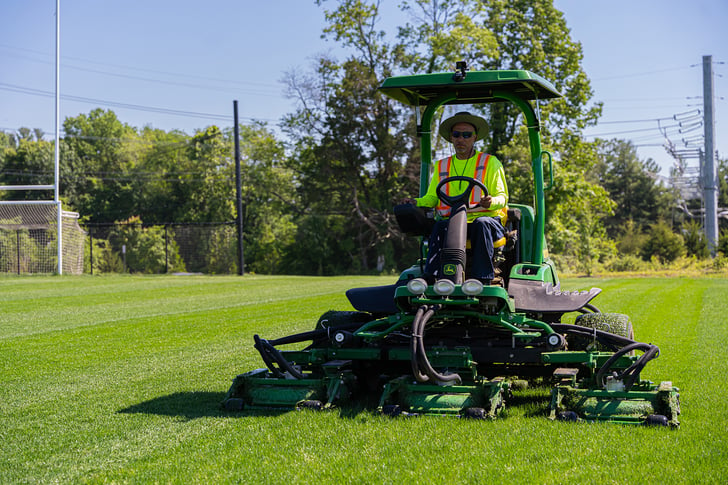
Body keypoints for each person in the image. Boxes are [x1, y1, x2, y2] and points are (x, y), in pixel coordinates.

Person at [402, 111, 508, 283]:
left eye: (466, 135)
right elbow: (432, 198)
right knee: (439, 226)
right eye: (457, 135)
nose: (461, 139)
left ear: (474, 138)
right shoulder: (442, 165)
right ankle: (432, 278)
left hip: (485, 220)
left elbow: (502, 197)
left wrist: (491, 201)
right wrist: (416, 202)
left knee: (482, 224)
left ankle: (482, 280)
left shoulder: (490, 162)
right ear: (451, 138)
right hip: (453, 221)